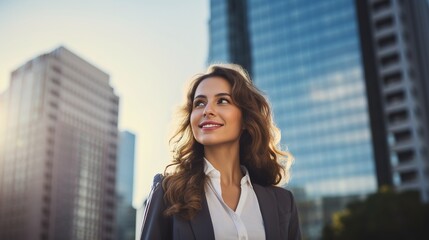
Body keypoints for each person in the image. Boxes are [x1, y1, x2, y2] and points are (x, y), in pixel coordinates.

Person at [140, 64, 301, 240]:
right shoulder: (168, 192)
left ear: (246, 118)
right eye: (199, 103)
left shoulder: (283, 203)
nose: (207, 110)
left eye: (222, 101)